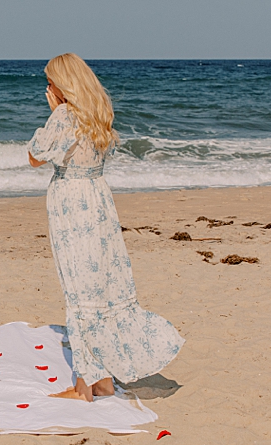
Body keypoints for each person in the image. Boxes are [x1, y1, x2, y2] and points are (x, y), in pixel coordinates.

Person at [27, 54, 183, 400]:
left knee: (80, 292)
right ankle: (103, 379)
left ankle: (85, 386)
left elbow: (36, 154)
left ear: (63, 85)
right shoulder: (97, 111)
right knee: (102, 287)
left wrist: (54, 110)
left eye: (50, 81)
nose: (47, 87)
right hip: (98, 200)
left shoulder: (65, 114)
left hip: (73, 205)